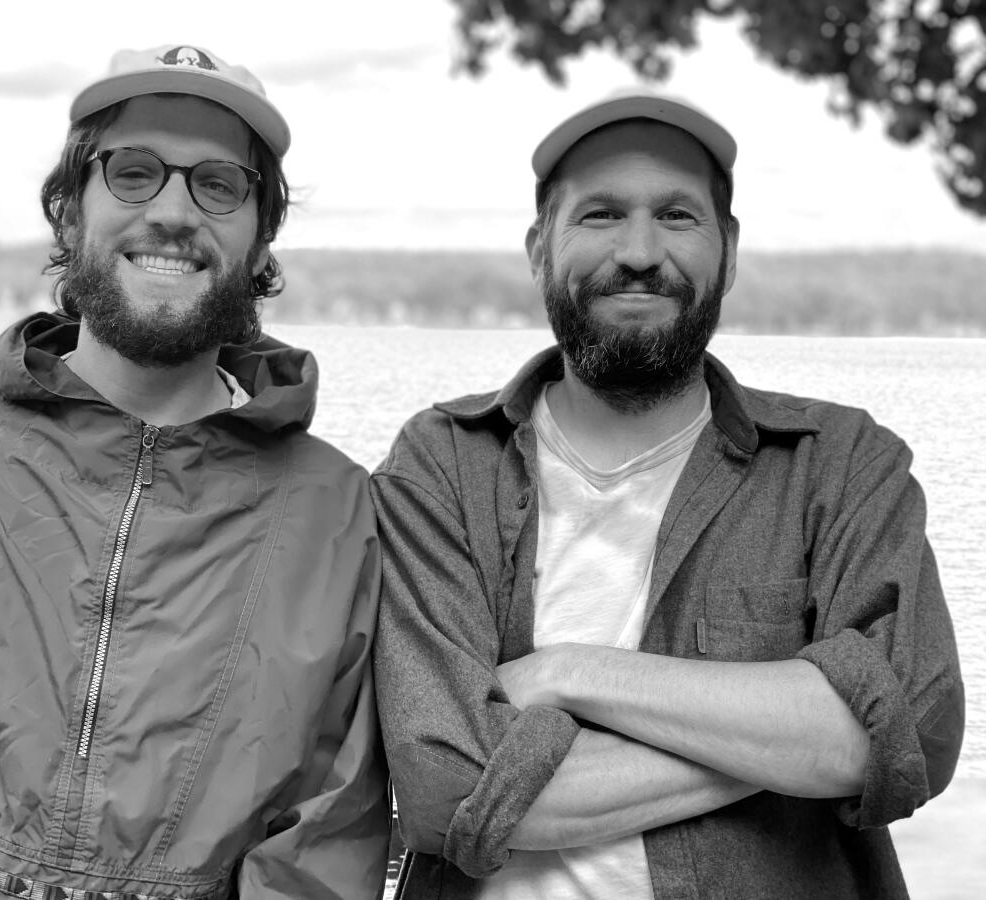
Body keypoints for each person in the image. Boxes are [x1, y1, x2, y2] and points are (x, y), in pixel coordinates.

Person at [0, 44, 390, 899]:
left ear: (262, 238)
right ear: (70, 211)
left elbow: (326, 848)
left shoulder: (342, 517)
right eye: (134, 172)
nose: (175, 212)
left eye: (219, 184)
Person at [371, 88, 964, 899]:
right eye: (602, 215)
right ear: (539, 247)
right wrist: (797, 739)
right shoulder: (441, 465)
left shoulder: (844, 466)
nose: (641, 251)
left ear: (728, 246)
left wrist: (571, 673)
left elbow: (917, 728)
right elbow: (446, 789)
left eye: (678, 216)